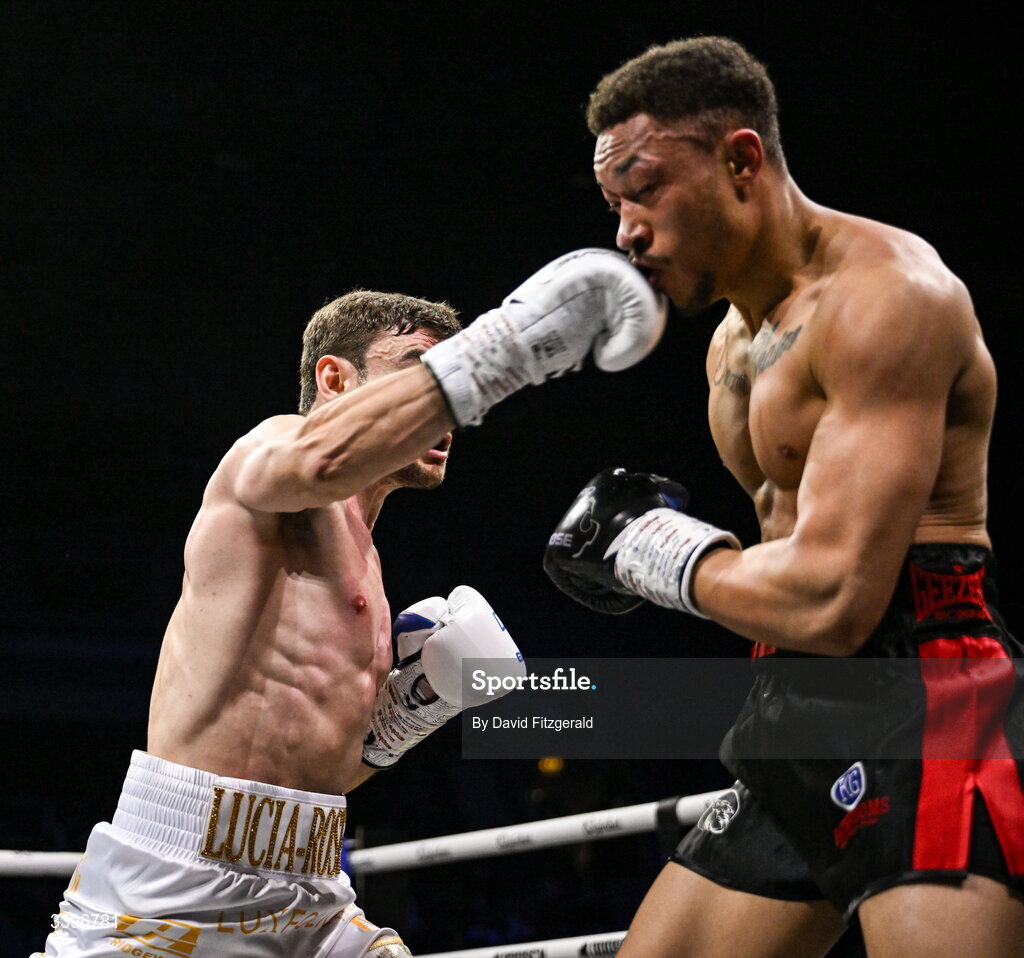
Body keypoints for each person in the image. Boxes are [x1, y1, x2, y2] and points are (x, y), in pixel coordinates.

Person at [543, 36, 1024, 958]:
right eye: (614, 205)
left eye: (643, 191)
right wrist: (669, 556)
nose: (625, 232)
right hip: (790, 699)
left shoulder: (887, 298)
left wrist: (654, 551)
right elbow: (782, 574)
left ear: (740, 160)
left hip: (920, 693)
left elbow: (839, 598)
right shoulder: (730, 349)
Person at [38, 257, 666, 958]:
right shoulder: (272, 451)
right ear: (335, 380)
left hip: (308, 878)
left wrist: (412, 712)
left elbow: (326, 771)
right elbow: (318, 459)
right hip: (179, 876)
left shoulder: (366, 562)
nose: (451, 406)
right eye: (421, 369)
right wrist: (505, 348)